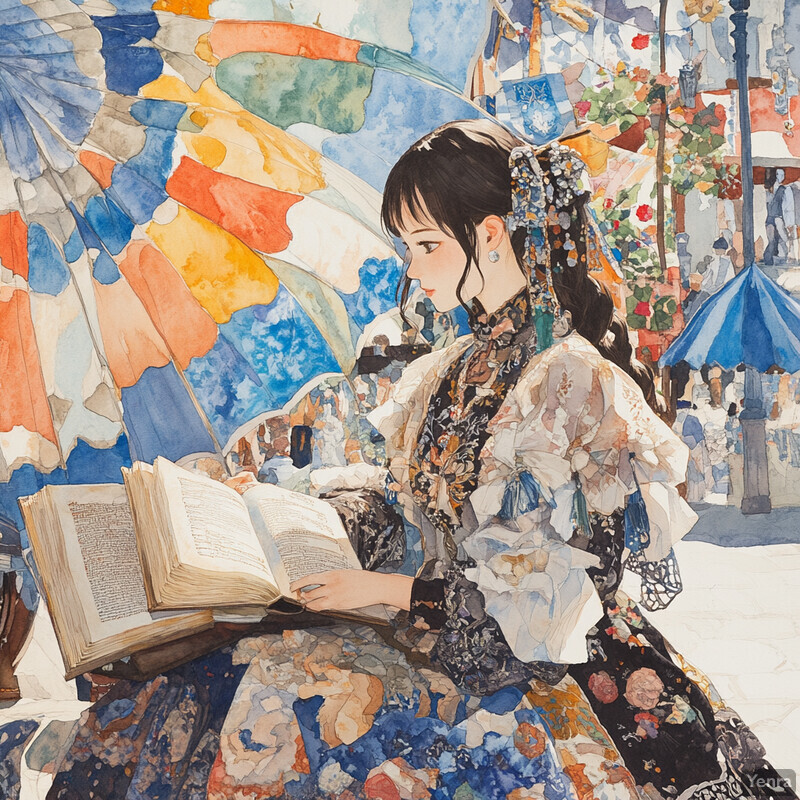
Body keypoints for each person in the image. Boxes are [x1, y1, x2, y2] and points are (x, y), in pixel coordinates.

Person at [45, 120, 794, 800]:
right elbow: (411, 508)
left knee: (282, 699)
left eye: (427, 244)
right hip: (434, 629)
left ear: (492, 234)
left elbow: (545, 605)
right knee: (193, 680)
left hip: (541, 663)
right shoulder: (449, 368)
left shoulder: (571, 381)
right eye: (407, 246)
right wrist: (267, 516)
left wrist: (386, 592)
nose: (414, 267)